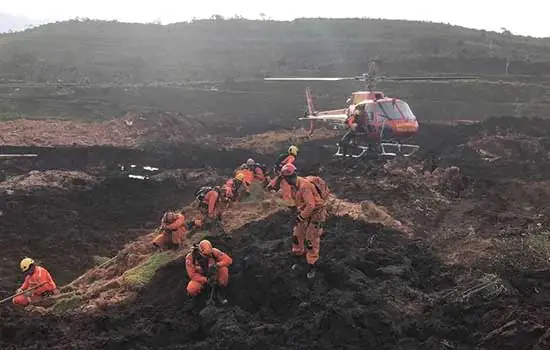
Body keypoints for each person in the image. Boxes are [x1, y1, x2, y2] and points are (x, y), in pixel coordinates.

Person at [280, 163, 327, 279]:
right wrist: (298, 214)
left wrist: (301, 217)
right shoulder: (293, 187)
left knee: (311, 238)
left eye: (287, 178)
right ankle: (298, 257)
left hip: (317, 212)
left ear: (291, 176)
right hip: (305, 211)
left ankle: (312, 265)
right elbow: (299, 203)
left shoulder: (304, 186)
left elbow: (311, 205)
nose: (287, 180)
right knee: (297, 235)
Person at [185, 240, 233, 304]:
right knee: (192, 289)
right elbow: (192, 275)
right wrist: (206, 280)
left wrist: (217, 265)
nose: (208, 256)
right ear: (200, 251)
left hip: (214, 273)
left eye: (209, 254)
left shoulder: (214, 252)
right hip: (201, 278)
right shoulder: (190, 258)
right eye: (206, 255)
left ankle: (221, 293)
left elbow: (228, 260)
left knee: (224, 270)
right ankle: (199, 300)